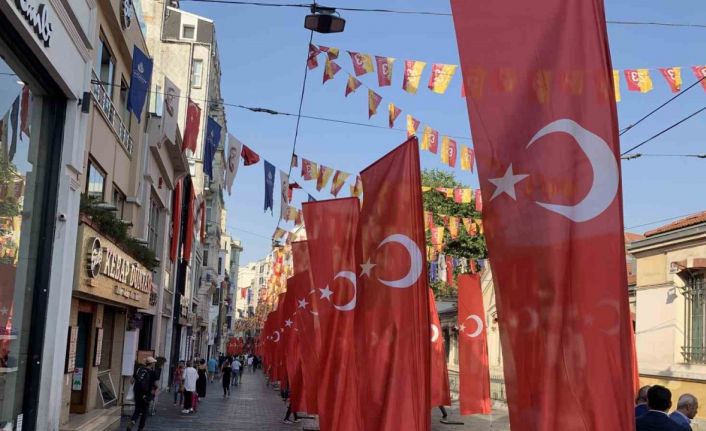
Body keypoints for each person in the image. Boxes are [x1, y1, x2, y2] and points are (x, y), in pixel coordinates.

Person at [127, 357, 159, 431]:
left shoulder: (139, 369)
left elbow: (132, 381)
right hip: (146, 394)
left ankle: (133, 421)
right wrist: (155, 389)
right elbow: (155, 384)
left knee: (137, 410)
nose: (154, 364)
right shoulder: (152, 372)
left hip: (137, 392)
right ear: (151, 364)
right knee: (145, 411)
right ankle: (140, 428)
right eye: (153, 363)